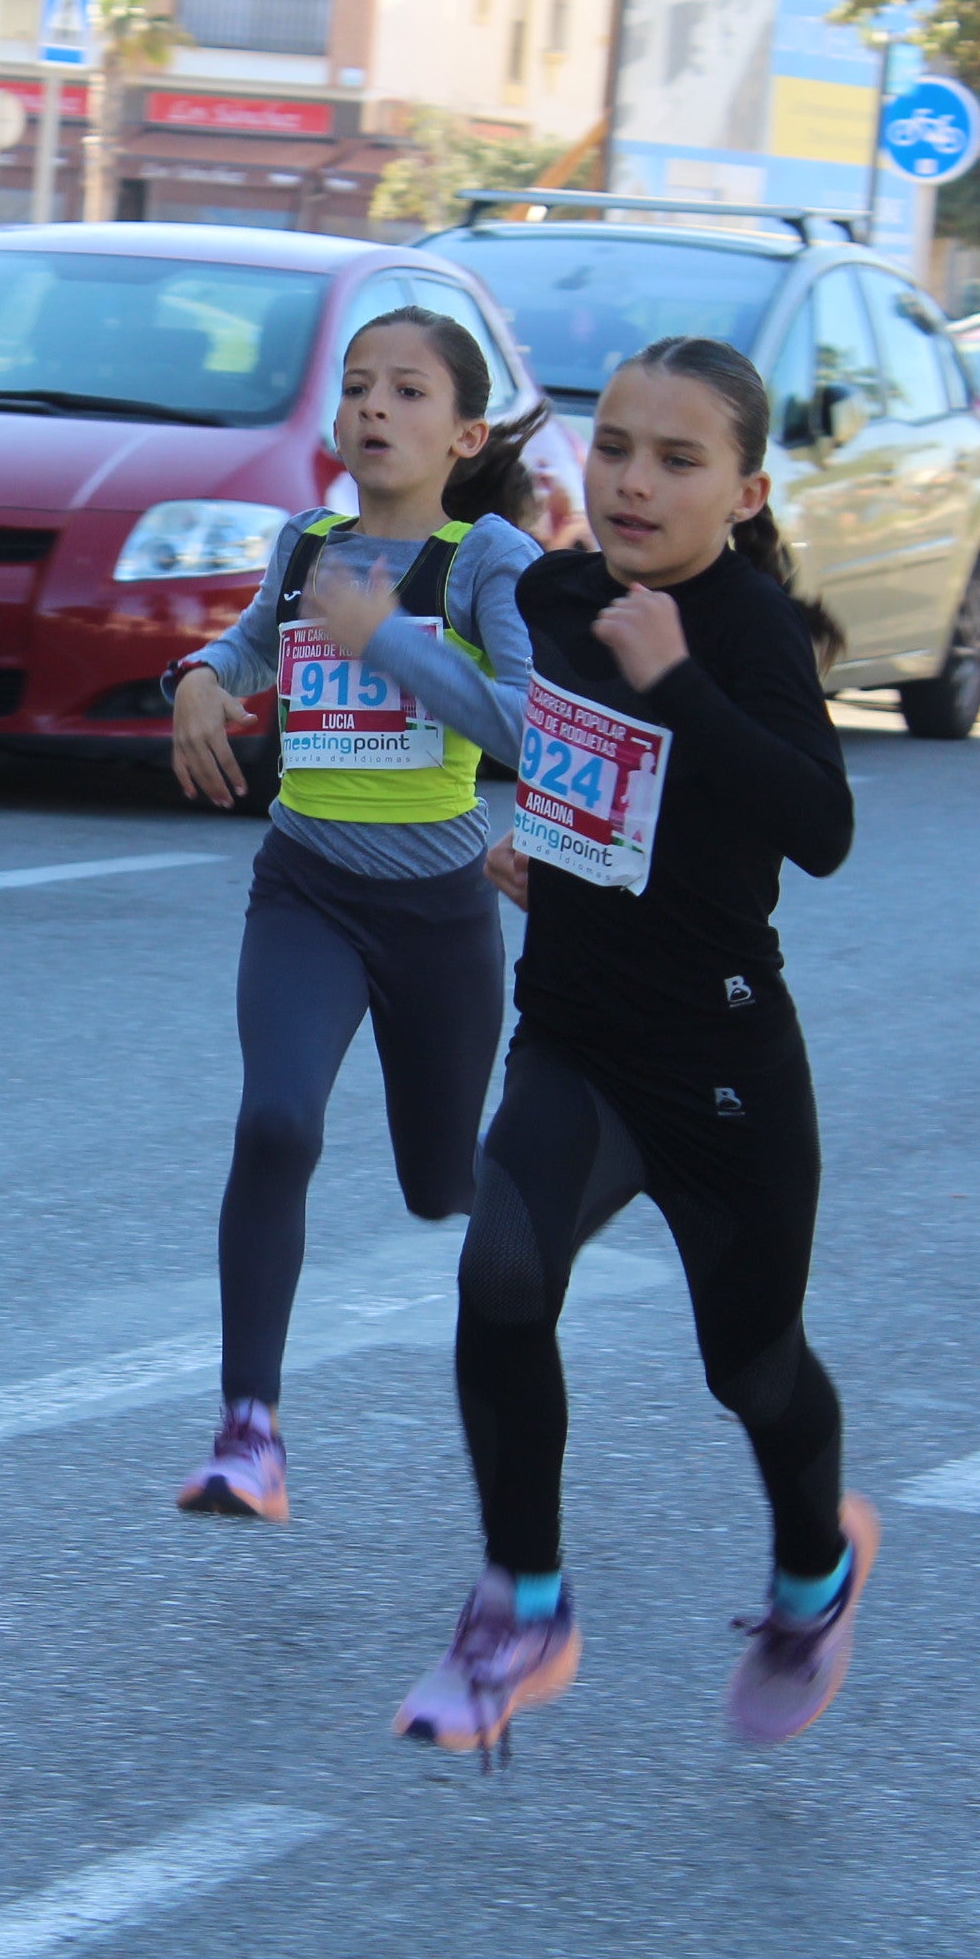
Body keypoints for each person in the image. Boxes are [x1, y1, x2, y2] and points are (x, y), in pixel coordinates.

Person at [394, 335, 874, 1760]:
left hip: (723, 1072)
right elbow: (577, 762)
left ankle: (813, 1575)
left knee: (754, 1371)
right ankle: (523, 1603)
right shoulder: (550, 592)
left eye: (677, 459)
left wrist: (682, 686)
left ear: (745, 489)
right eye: (614, 449)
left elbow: (821, 828)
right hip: (581, 1039)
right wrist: (540, 840)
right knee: (501, 1273)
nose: (635, 482)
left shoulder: (746, 630)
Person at [160, 310, 548, 1523]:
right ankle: (248, 1433)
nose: (376, 408)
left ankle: (555, 1219)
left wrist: (391, 645)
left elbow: (530, 732)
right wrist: (200, 681)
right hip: (308, 891)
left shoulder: (486, 562)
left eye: (410, 392)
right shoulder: (309, 542)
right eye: (359, 388)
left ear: (465, 433)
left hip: (440, 913)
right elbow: (252, 645)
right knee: (277, 1124)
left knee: (443, 1187)